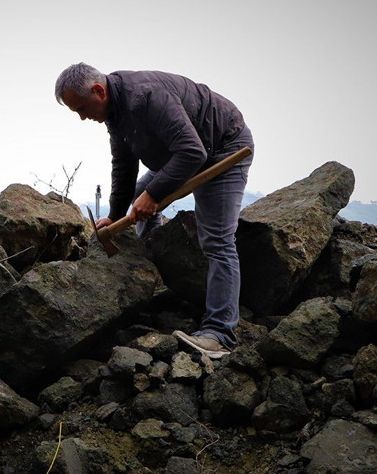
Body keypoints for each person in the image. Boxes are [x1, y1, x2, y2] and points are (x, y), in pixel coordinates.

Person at [55, 63, 254, 359]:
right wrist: (115, 213)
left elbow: (192, 151)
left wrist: (153, 194)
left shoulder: (146, 96)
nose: (83, 117)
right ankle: (153, 272)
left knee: (217, 239)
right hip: (185, 154)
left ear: (99, 91)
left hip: (223, 147)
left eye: (82, 108)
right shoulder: (115, 111)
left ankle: (220, 333)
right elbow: (124, 164)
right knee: (139, 196)